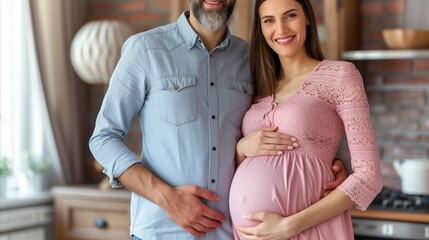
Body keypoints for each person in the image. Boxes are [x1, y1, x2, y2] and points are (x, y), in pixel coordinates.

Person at [89, 0, 348, 239]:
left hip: (232, 232)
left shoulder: (252, 59)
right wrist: (167, 197)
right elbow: (103, 138)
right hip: (162, 232)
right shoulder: (145, 50)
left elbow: (289, 115)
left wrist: (327, 163)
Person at [228, 0, 383, 239]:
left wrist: (289, 226)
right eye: (269, 20)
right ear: (260, 29)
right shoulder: (256, 86)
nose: (280, 29)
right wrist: (240, 150)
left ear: (307, 18)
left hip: (309, 230)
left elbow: (369, 176)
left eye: (290, 16)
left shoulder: (341, 76)